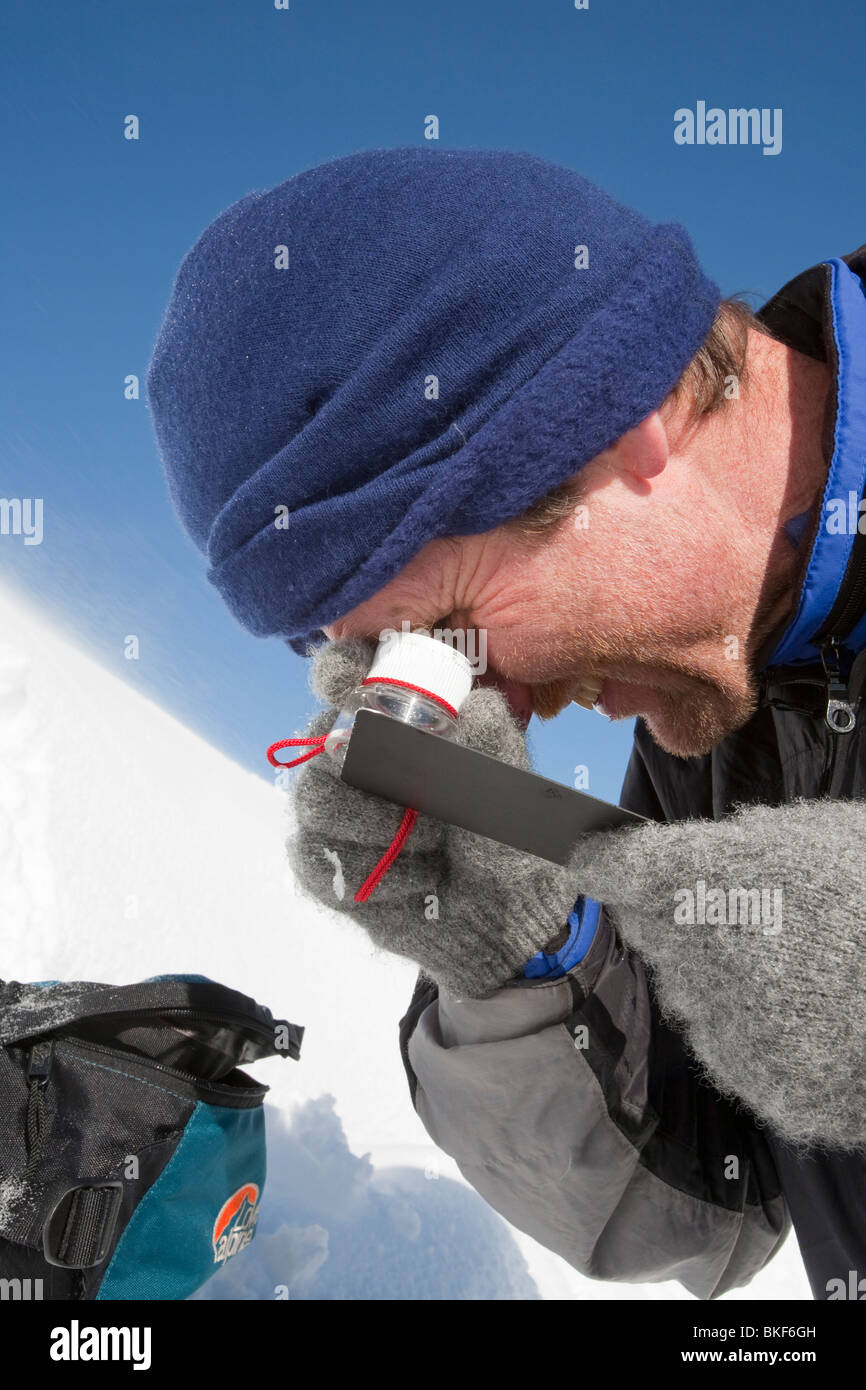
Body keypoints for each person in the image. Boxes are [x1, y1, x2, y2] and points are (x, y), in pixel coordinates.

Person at [147, 145, 866, 1300]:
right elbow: (708, 1209)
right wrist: (518, 959)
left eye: (454, 631)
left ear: (612, 412)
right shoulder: (722, 733)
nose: (503, 715)